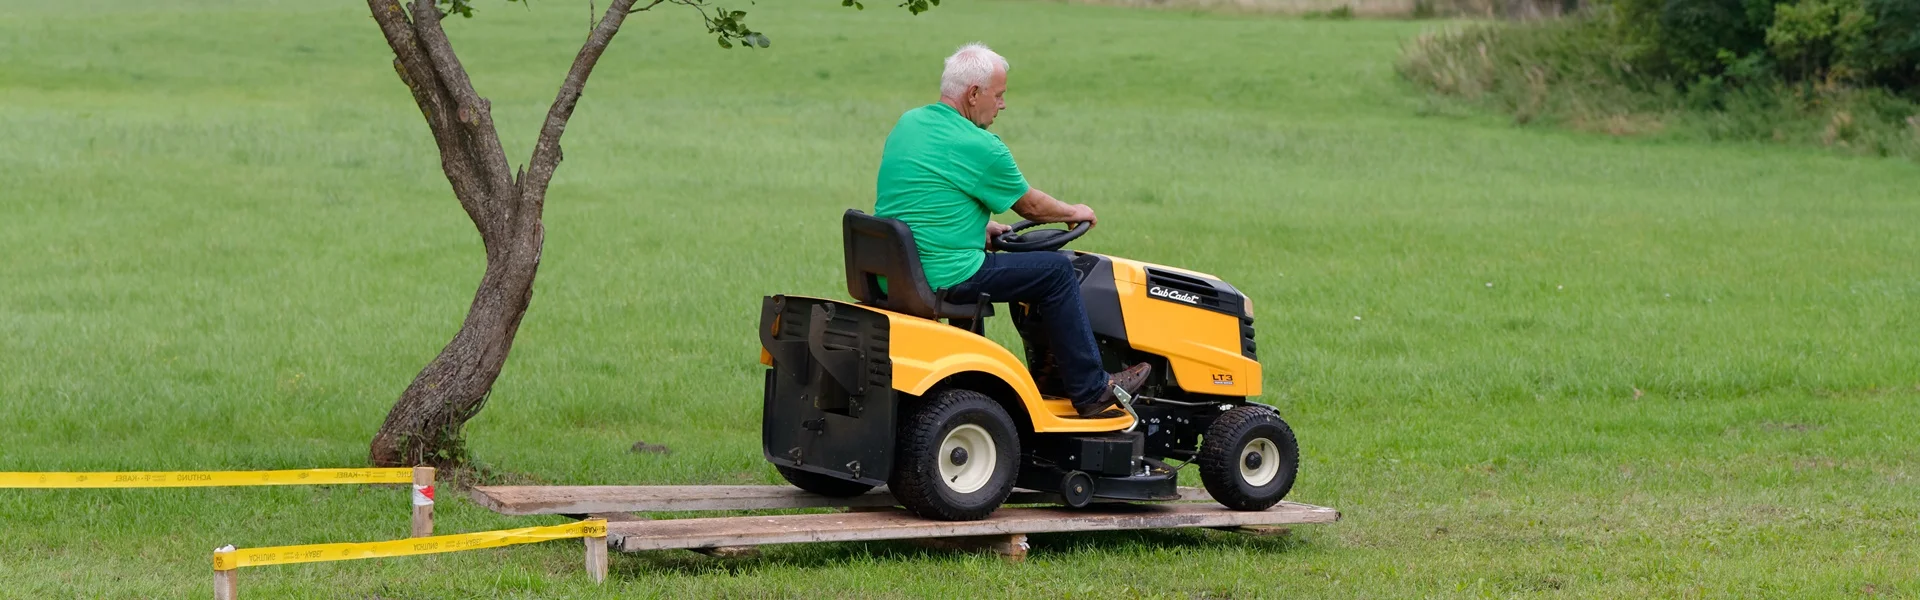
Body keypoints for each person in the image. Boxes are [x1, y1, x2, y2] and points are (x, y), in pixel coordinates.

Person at [872, 42, 1149, 419]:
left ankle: (976, 387)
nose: (1002, 105)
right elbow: (1031, 206)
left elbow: (919, 194)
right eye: (999, 95)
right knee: (1057, 272)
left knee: (1017, 266)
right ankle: (1091, 390)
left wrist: (977, 226)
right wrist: (1075, 211)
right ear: (973, 94)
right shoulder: (980, 145)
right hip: (943, 275)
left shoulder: (910, 123)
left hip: (899, 273)